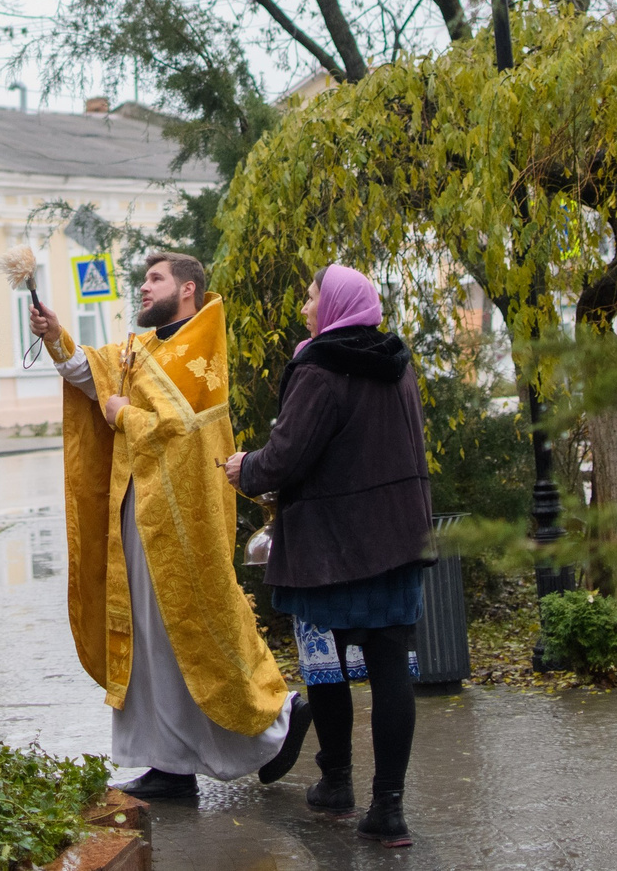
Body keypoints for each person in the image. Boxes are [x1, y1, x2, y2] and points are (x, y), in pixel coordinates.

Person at [30, 253, 298, 803]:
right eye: (145, 278)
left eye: (156, 279)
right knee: (150, 642)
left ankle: (280, 720)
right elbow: (93, 378)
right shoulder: (142, 347)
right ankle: (168, 764)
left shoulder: (200, 349)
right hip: (136, 509)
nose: (144, 287)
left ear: (188, 288)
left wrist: (123, 415)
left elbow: (184, 436)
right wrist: (57, 336)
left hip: (183, 517)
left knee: (200, 629)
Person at [226, 264, 431, 847]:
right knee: (392, 669)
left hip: (329, 547)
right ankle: (388, 810)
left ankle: (337, 783)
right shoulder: (396, 361)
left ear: (336, 302)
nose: (306, 306)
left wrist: (248, 469)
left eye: (312, 295)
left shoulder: (319, 366)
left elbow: (289, 456)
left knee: (324, 664)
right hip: (395, 540)